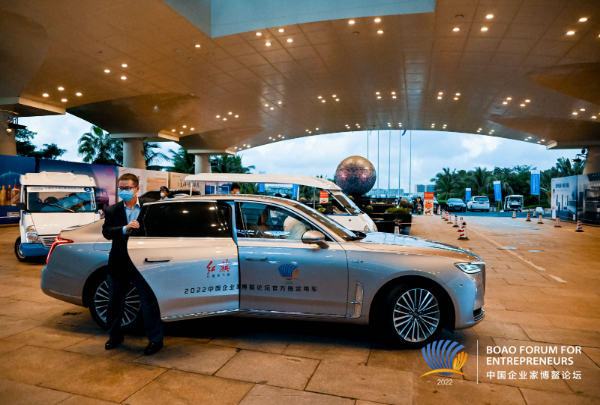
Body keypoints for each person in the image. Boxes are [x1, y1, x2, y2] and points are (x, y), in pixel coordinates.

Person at [102, 173, 164, 356]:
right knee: (115, 302)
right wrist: (124, 228)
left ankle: (155, 340)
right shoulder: (112, 210)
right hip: (119, 262)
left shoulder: (150, 206)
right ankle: (115, 336)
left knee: (148, 302)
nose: (124, 191)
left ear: (137, 188)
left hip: (144, 263)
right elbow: (106, 232)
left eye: (127, 188)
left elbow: (159, 229)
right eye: (121, 188)